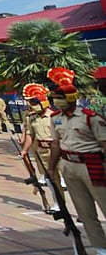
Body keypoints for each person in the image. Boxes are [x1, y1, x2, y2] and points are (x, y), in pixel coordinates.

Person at [46, 67, 106, 254]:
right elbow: (56, 144)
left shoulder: (90, 118)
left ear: (71, 98)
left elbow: (104, 143)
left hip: (92, 164)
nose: (57, 102)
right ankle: (100, 248)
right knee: (84, 211)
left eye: (60, 98)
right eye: (55, 98)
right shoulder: (55, 118)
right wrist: (51, 168)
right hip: (69, 166)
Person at [19, 84, 60, 214]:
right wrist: (25, 150)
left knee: (65, 179)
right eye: (31, 103)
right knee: (50, 179)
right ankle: (57, 203)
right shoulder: (32, 118)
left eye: (35, 102)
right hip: (42, 151)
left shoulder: (55, 116)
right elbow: (30, 135)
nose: (32, 105)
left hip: (57, 150)